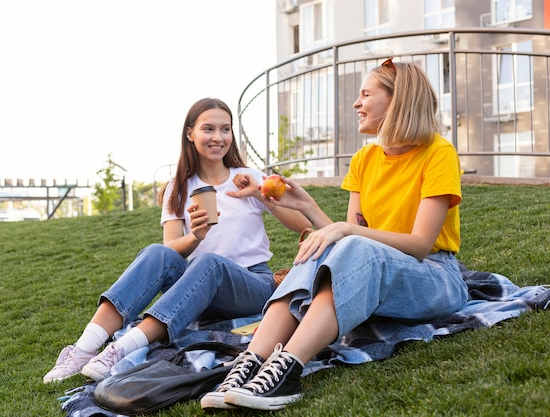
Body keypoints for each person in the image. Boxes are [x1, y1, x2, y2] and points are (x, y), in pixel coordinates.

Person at [200, 58, 469, 411]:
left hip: (435, 277)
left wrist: (345, 230)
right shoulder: (364, 160)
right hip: (378, 270)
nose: (357, 104)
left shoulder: (438, 153)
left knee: (349, 242)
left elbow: (419, 245)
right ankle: (249, 364)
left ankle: (287, 371)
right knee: (320, 248)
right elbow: (346, 248)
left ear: (398, 99)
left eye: (365, 94)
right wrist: (306, 205)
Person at [43, 97, 311, 384]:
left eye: (225, 129)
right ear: (190, 133)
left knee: (211, 263)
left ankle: (120, 349)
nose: (218, 137)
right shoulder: (179, 188)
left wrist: (262, 195)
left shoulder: (249, 178)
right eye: (208, 129)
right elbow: (171, 249)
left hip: (252, 284)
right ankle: (82, 349)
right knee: (157, 253)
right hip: (199, 286)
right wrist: (195, 237)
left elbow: (304, 227)